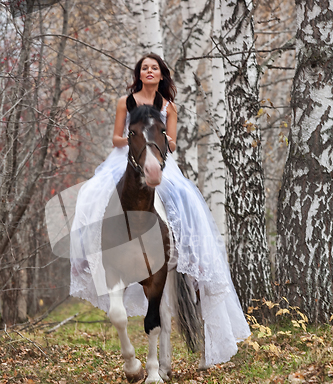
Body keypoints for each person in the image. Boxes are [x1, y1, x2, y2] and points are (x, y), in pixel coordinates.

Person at [70, 53, 250, 366]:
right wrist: (134, 140)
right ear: (139, 74)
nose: (149, 71)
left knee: (185, 201)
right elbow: (115, 137)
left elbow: (175, 144)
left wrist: (160, 139)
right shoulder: (125, 102)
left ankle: (191, 255)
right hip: (127, 158)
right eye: (144, 68)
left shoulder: (169, 107)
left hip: (160, 160)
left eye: (154, 67)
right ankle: (90, 256)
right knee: (91, 196)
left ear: (161, 73)